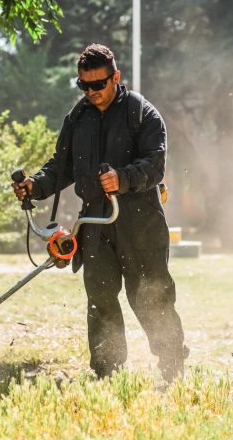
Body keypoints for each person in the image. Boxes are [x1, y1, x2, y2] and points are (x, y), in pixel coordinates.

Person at [12, 43, 188, 382]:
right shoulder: (78, 118)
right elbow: (62, 166)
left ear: (115, 78)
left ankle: (171, 366)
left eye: (98, 84)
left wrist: (122, 178)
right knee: (100, 297)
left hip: (139, 219)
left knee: (150, 296)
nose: (91, 92)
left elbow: (155, 164)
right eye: (84, 85)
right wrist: (36, 185)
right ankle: (108, 372)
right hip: (94, 221)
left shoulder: (142, 114)